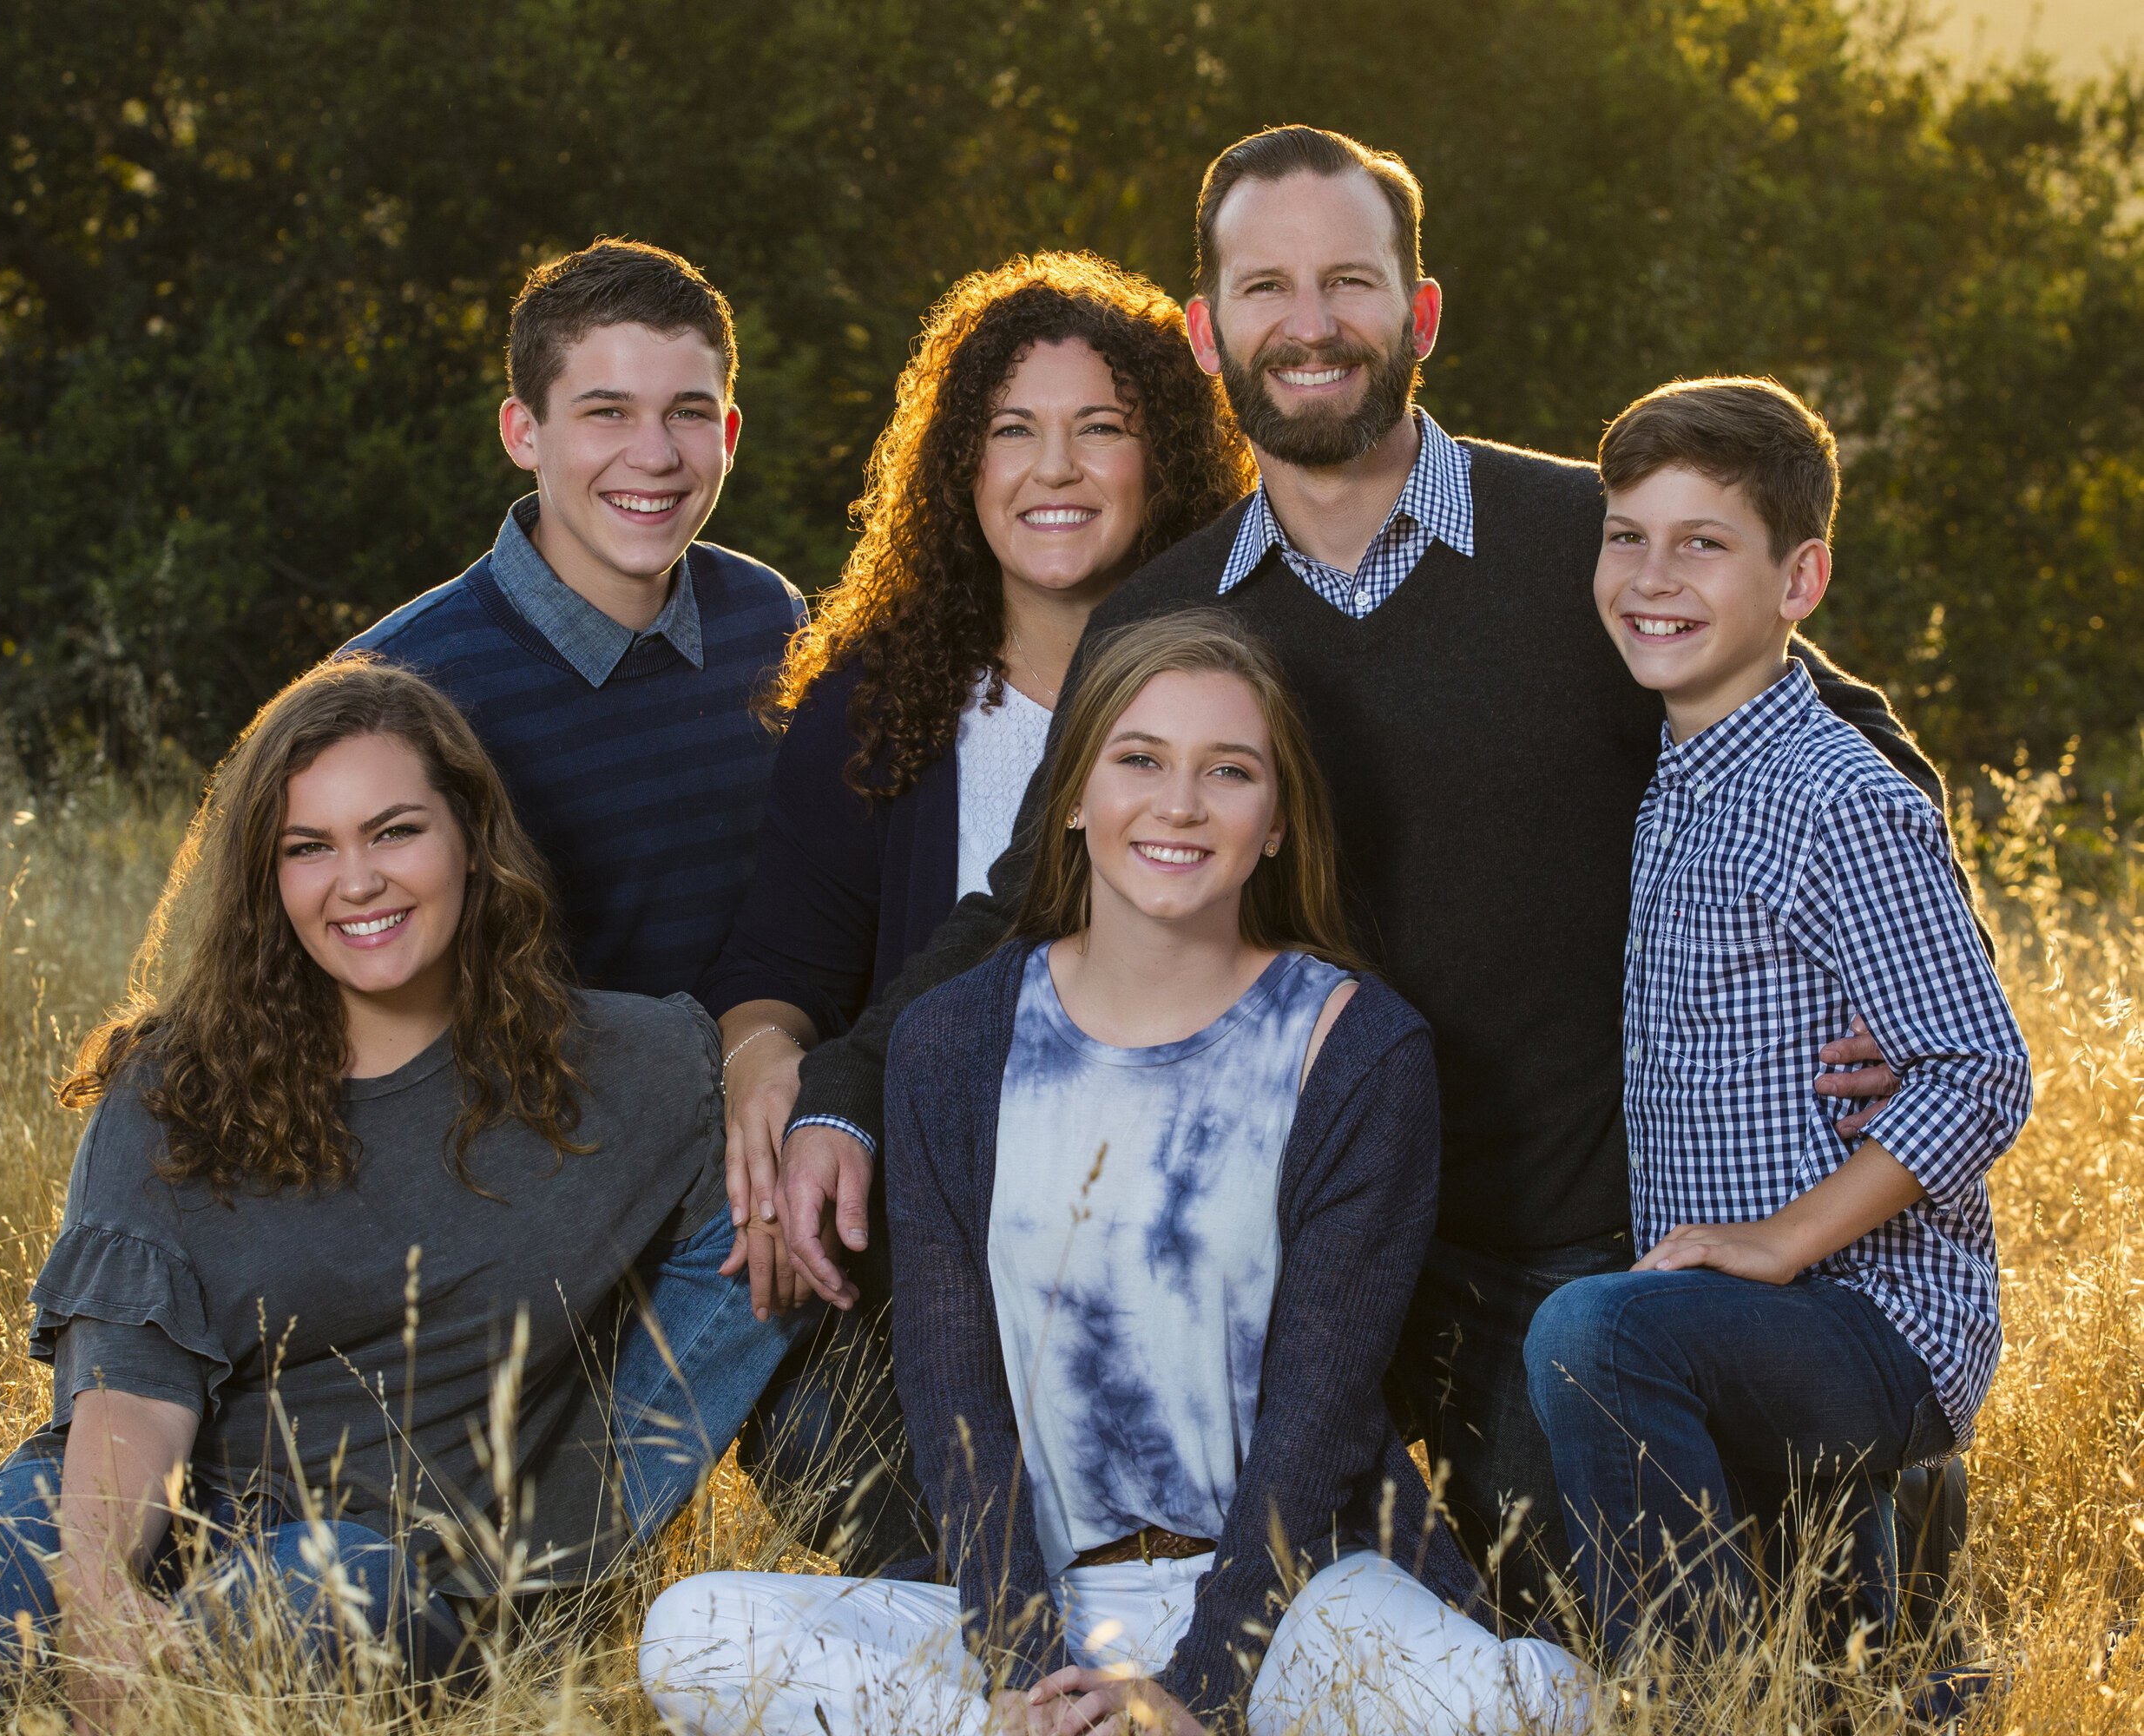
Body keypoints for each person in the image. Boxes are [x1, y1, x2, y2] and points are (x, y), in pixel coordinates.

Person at [770, 124, 1951, 1626]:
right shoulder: (1168, 612)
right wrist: (841, 1088)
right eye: (1267, 287)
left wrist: (1885, 979)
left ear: (1421, 314)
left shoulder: (1576, 540)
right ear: (1208, 335)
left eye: (1350, 281)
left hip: (1558, 1246)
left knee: (1660, 1645)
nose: (1311, 322)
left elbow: (1826, 722)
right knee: (1299, 1626)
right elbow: (1029, 900)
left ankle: (1879, 1521)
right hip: (1292, 1260)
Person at [641, 614, 1589, 1736]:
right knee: (693, 1633)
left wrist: (1196, 1693)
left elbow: (1318, 1423)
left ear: (1277, 820)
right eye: (1139, 760)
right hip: (1045, 1595)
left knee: (1529, 1707)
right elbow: (956, 1409)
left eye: (1228, 772)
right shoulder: (955, 1042)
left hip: (1293, 1596)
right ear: (1073, 797)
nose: (1179, 805)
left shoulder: (1354, 1048)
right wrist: (1028, 1675)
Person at [0, 661, 755, 1716]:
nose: (358, 880)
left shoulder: (633, 1067)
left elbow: (775, 1213)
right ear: (269, 877)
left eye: (395, 831)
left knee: (313, 1585)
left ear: (471, 841)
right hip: (144, 1513)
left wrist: (578, 1531)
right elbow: (130, 1383)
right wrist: (102, 1591)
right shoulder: (177, 1083)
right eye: (310, 847)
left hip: (379, 1569)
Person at [699, 253, 1249, 1568]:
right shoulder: (878, 704)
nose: (1052, 469)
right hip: (921, 1259)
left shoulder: (1239, 696)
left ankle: (1102, 1594)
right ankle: (988, 1612)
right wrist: (768, 1066)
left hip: (1174, 1259)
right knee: (782, 1385)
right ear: (960, 467)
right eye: (1013, 432)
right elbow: (780, 961)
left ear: (1164, 458)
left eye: (1098, 430)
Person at [1522, 378, 2030, 1660]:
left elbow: (1981, 1070)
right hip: (1762, 1334)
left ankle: (1698, 1700)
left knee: (1593, 1333)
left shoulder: (1827, 797)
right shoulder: (1685, 774)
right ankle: (1820, 1665)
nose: (1653, 575)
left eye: (1704, 543)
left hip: (1876, 1322)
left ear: (1799, 582)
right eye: (1627, 535)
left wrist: (1778, 1242)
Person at [344, 238, 812, 1516]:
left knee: (887, 1489)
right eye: (604, 412)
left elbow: (816, 901)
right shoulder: (399, 694)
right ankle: (544, 1576)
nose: (651, 458)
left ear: (729, 428)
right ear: (523, 431)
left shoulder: (770, 623)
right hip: (507, 1198)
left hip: (747, 1167)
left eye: (685, 415)